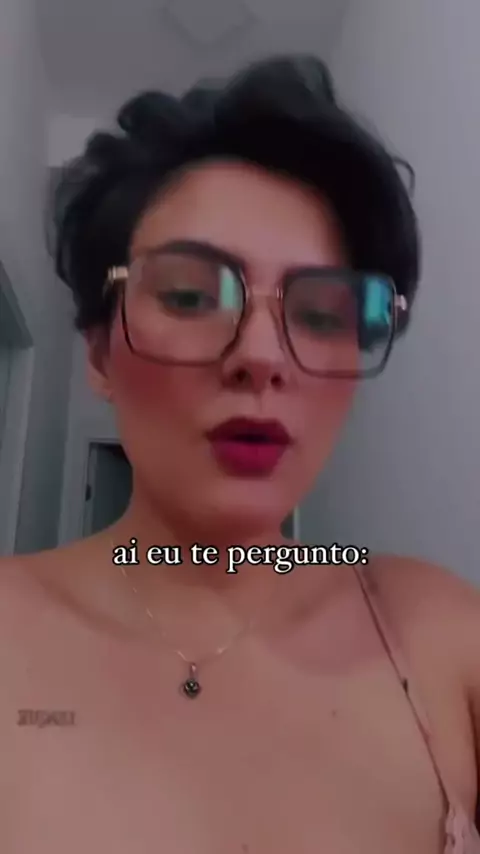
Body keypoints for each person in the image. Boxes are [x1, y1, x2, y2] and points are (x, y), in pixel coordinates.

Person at [0, 55, 478, 854]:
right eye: (191, 296)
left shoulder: (448, 637)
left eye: (322, 312)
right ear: (100, 352)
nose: (262, 356)